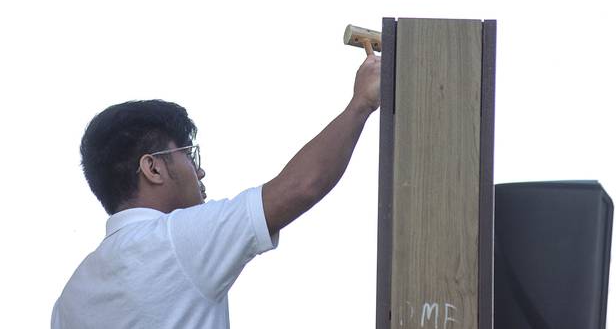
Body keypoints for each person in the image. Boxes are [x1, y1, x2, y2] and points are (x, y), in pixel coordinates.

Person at [51, 53, 381, 328]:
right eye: (189, 156)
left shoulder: (69, 300)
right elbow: (301, 186)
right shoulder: (174, 241)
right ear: (153, 168)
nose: (200, 171)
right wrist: (361, 103)